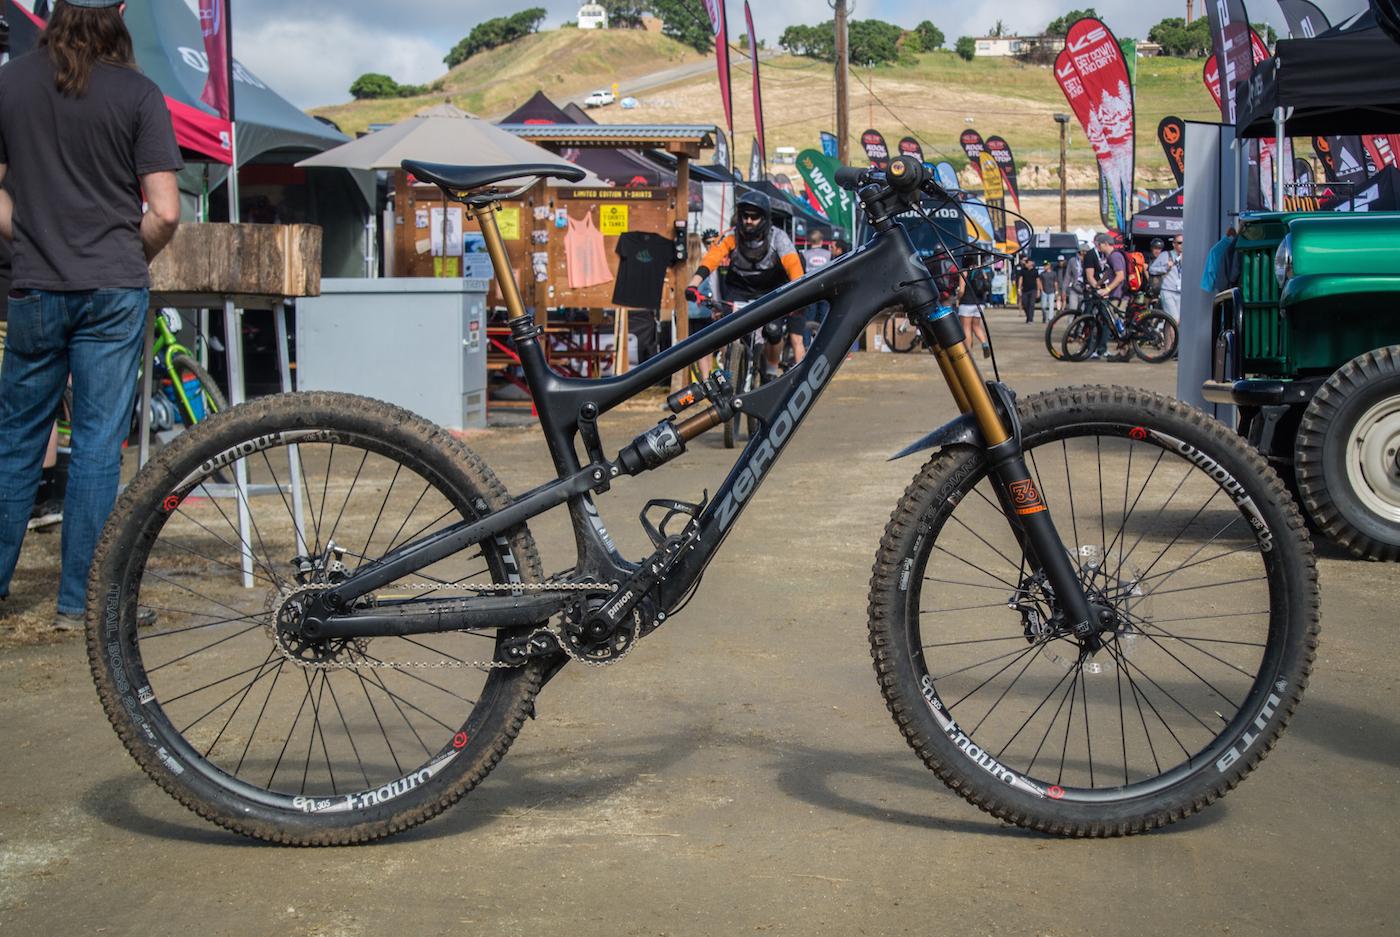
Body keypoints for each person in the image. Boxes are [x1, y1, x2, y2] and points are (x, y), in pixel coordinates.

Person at [0, 0, 183, 631]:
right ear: (121, 10)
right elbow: (164, 211)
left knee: (16, 439)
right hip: (111, 289)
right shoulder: (138, 93)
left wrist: (29, 237)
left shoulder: (10, 81)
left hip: (34, 285)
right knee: (99, 443)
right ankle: (82, 604)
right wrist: (122, 255)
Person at [685, 190, 803, 378]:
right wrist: (693, 284)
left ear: (764, 218)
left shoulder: (778, 237)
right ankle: (732, 371)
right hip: (739, 289)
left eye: (754, 217)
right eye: (744, 216)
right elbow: (711, 260)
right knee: (728, 330)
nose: (748, 221)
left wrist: (799, 296)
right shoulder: (731, 235)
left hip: (771, 290)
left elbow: (794, 267)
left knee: (773, 331)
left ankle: (771, 371)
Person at [1091, 233, 1129, 361]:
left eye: (1099, 245)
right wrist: (1098, 284)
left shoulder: (1115, 257)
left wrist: (1107, 289)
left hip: (1119, 295)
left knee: (1116, 322)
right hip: (1116, 294)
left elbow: (1120, 276)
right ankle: (1120, 350)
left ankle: (1125, 351)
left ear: (1106, 244)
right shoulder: (1111, 257)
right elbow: (1109, 272)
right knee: (1111, 322)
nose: (1098, 247)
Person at [956, 261, 989, 358]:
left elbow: (961, 290)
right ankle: (984, 344)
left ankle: (968, 352)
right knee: (976, 326)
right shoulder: (981, 271)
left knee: (966, 328)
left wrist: (958, 298)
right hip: (979, 303)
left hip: (967, 303)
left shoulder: (964, 272)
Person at [1151, 234, 1183, 321]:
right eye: (1180, 243)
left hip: (1180, 292)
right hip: (1168, 291)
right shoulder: (1166, 255)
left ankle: (1168, 335)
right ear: (1174, 244)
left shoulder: (1186, 256)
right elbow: (1152, 269)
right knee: (1174, 319)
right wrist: (1165, 268)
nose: (1182, 245)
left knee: (1174, 321)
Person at [1015, 256, 1039, 323]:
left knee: (1031, 304)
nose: (1026, 264)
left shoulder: (1035, 271)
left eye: (1027, 262)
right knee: (1025, 304)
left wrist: (1038, 290)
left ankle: (1030, 319)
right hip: (1025, 290)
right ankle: (1028, 317)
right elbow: (1020, 279)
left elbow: (1038, 280)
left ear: (1030, 263)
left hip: (1033, 290)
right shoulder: (1023, 270)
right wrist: (1019, 288)